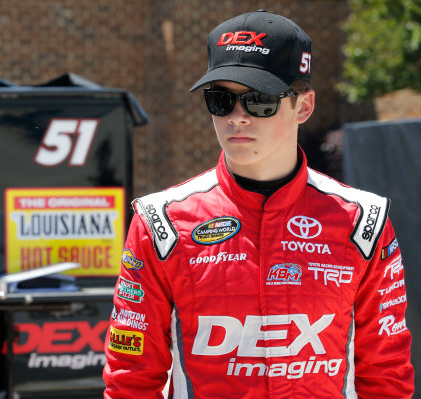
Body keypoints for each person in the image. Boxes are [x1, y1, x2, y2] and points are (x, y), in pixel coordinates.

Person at [103, 9, 414, 399]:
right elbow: (130, 376)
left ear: (303, 106)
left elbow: (386, 374)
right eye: (220, 100)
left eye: (260, 101)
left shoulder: (363, 222)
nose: (237, 117)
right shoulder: (160, 223)